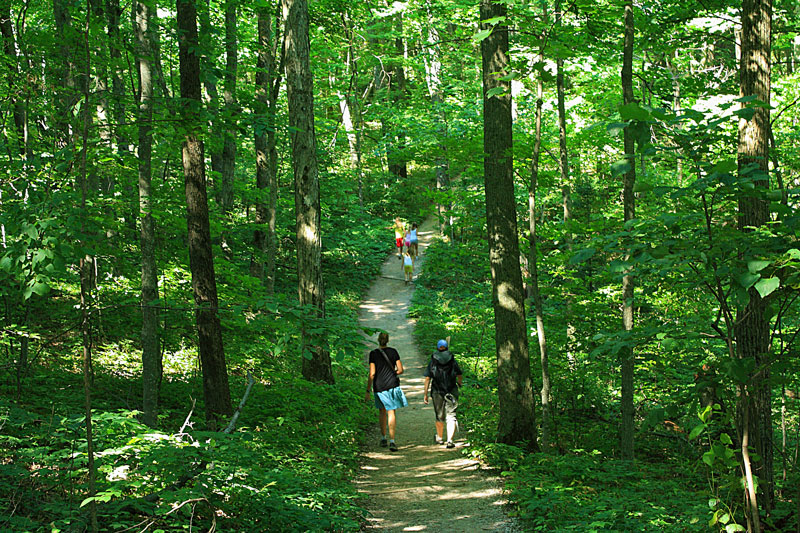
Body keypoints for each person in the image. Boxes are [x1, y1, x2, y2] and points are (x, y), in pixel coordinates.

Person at [365, 332, 408, 451]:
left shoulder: (373, 354)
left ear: (378, 340)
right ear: (388, 340)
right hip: (392, 384)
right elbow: (400, 370)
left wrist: (368, 390)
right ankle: (392, 441)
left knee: (382, 412)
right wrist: (393, 373)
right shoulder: (393, 352)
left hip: (379, 386)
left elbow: (372, 373)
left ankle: (383, 438)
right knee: (391, 412)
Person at [423, 339, 463, 448]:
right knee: (451, 414)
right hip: (451, 390)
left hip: (437, 391)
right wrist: (459, 383)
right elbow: (459, 374)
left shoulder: (433, 361)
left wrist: (425, 393)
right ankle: (450, 440)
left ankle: (440, 438)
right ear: (447, 347)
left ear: (437, 347)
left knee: (439, 415)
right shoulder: (452, 360)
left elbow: (427, 378)